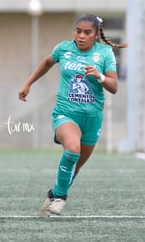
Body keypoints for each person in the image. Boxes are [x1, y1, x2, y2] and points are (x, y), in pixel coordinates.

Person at [18, 14, 127, 217]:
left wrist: (100, 76)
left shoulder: (105, 53)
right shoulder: (64, 49)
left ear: (96, 35)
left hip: (92, 119)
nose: (81, 36)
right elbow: (46, 62)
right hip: (65, 113)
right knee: (72, 150)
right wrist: (27, 84)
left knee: (75, 167)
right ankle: (61, 197)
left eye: (87, 32)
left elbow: (114, 87)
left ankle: (54, 193)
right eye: (78, 31)